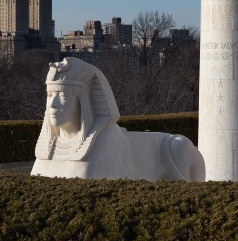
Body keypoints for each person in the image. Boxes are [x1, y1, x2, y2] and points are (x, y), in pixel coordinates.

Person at [32, 58, 205, 182]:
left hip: (169, 150)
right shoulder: (49, 146)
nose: (52, 105)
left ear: (84, 102)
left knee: (179, 147)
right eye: (49, 95)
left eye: (63, 96)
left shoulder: (103, 142)